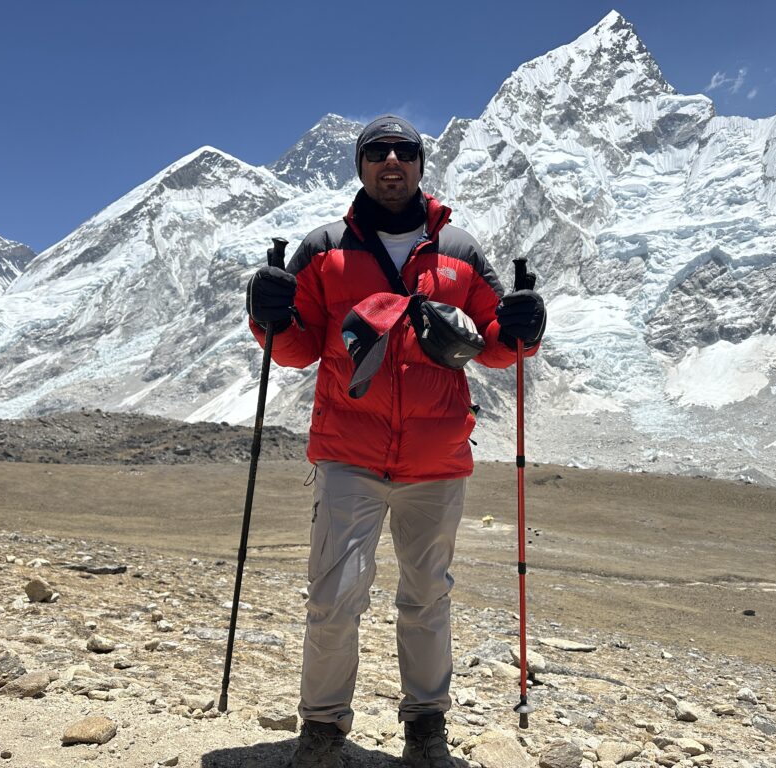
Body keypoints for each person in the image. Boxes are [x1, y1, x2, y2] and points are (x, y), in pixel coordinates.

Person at [247, 115, 546, 768]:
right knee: (333, 596)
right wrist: (265, 311)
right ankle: (322, 729)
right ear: (360, 166)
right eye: (376, 152)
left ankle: (426, 728)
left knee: (428, 596)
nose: (391, 161)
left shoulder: (461, 253)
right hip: (349, 456)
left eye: (404, 151)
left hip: (435, 463)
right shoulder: (323, 247)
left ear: (420, 165)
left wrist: (526, 323)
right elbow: (294, 348)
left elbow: (499, 344)